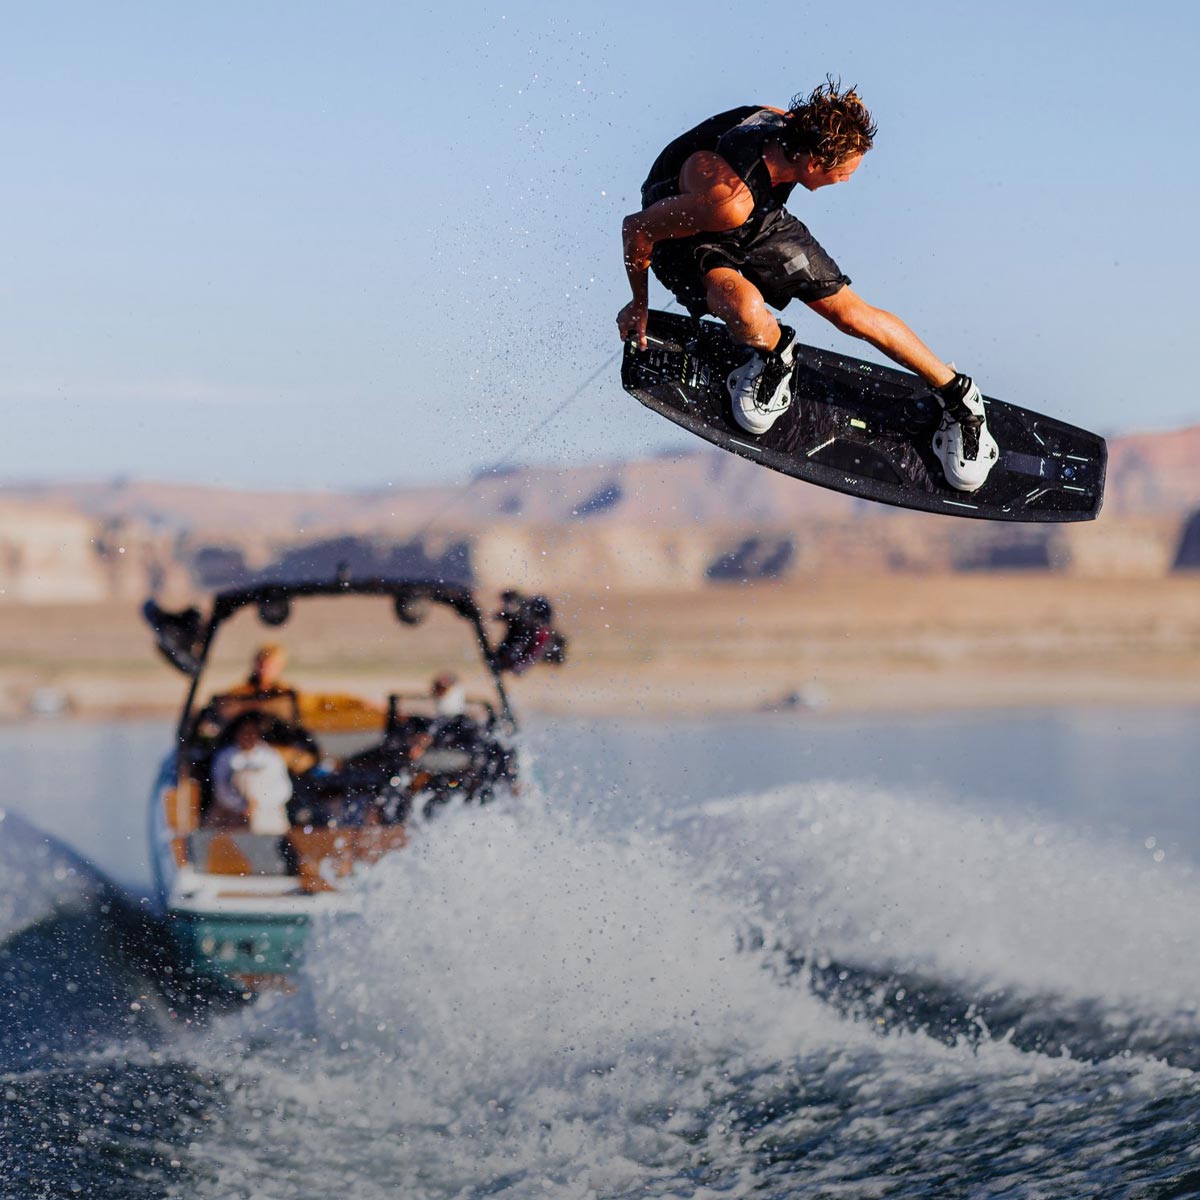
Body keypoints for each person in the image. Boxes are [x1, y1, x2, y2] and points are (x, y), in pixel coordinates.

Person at [617, 79, 998, 492]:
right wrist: (639, 303)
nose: (848, 180)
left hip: (757, 217)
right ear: (814, 165)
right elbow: (636, 228)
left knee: (851, 313)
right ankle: (775, 354)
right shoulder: (729, 199)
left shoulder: (789, 127)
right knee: (746, 309)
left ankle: (961, 398)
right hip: (693, 232)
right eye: (845, 171)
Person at [209, 712, 293, 835]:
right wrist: (242, 805)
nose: (248, 736)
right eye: (244, 732)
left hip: (268, 812)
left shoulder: (270, 756)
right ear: (237, 734)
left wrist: (258, 803)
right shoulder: (226, 757)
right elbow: (220, 789)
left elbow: (284, 789)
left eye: (252, 732)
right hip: (234, 813)